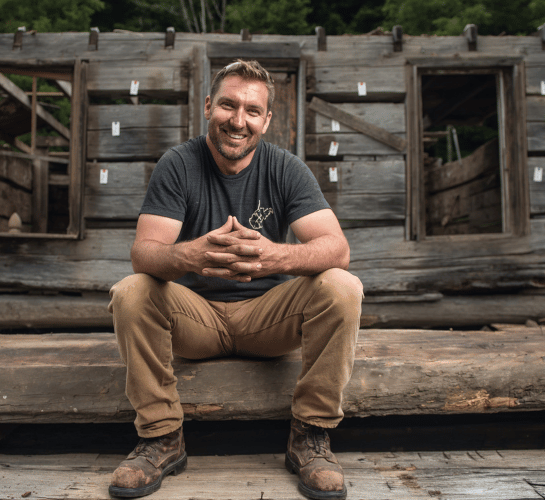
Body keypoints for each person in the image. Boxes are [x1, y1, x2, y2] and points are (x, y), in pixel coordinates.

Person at [107, 59, 363, 500]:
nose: (237, 120)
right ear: (208, 106)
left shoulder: (286, 168)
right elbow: (142, 254)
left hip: (269, 319)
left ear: (266, 119)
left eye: (250, 110)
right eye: (228, 105)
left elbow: (336, 249)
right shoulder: (178, 164)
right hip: (197, 320)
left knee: (343, 286)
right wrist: (191, 254)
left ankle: (311, 437)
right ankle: (161, 439)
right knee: (130, 291)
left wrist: (273, 256)